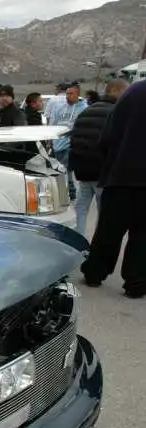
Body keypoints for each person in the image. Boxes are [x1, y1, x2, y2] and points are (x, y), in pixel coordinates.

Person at [80, 80, 146, 298]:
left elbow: (106, 138)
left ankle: (94, 273)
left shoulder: (133, 93)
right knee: (142, 236)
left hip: (120, 176)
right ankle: (136, 283)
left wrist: (115, 161)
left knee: (109, 230)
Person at [68, 78, 131, 236]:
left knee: (81, 209)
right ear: (115, 91)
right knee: (104, 214)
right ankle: (98, 244)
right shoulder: (116, 113)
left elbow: (74, 139)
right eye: (126, 92)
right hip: (103, 173)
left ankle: (78, 242)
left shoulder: (86, 111)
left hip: (83, 171)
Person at [47, 83, 88, 200]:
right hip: (58, 143)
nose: (68, 96)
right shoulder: (60, 108)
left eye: (71, 94)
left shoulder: (84, 108)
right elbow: (53, 123)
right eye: (67, 93)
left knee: (66, 168)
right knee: (61, 168)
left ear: (78, 94)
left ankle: (69, 191)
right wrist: (50, 140)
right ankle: (68, 190)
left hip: (72, 143)